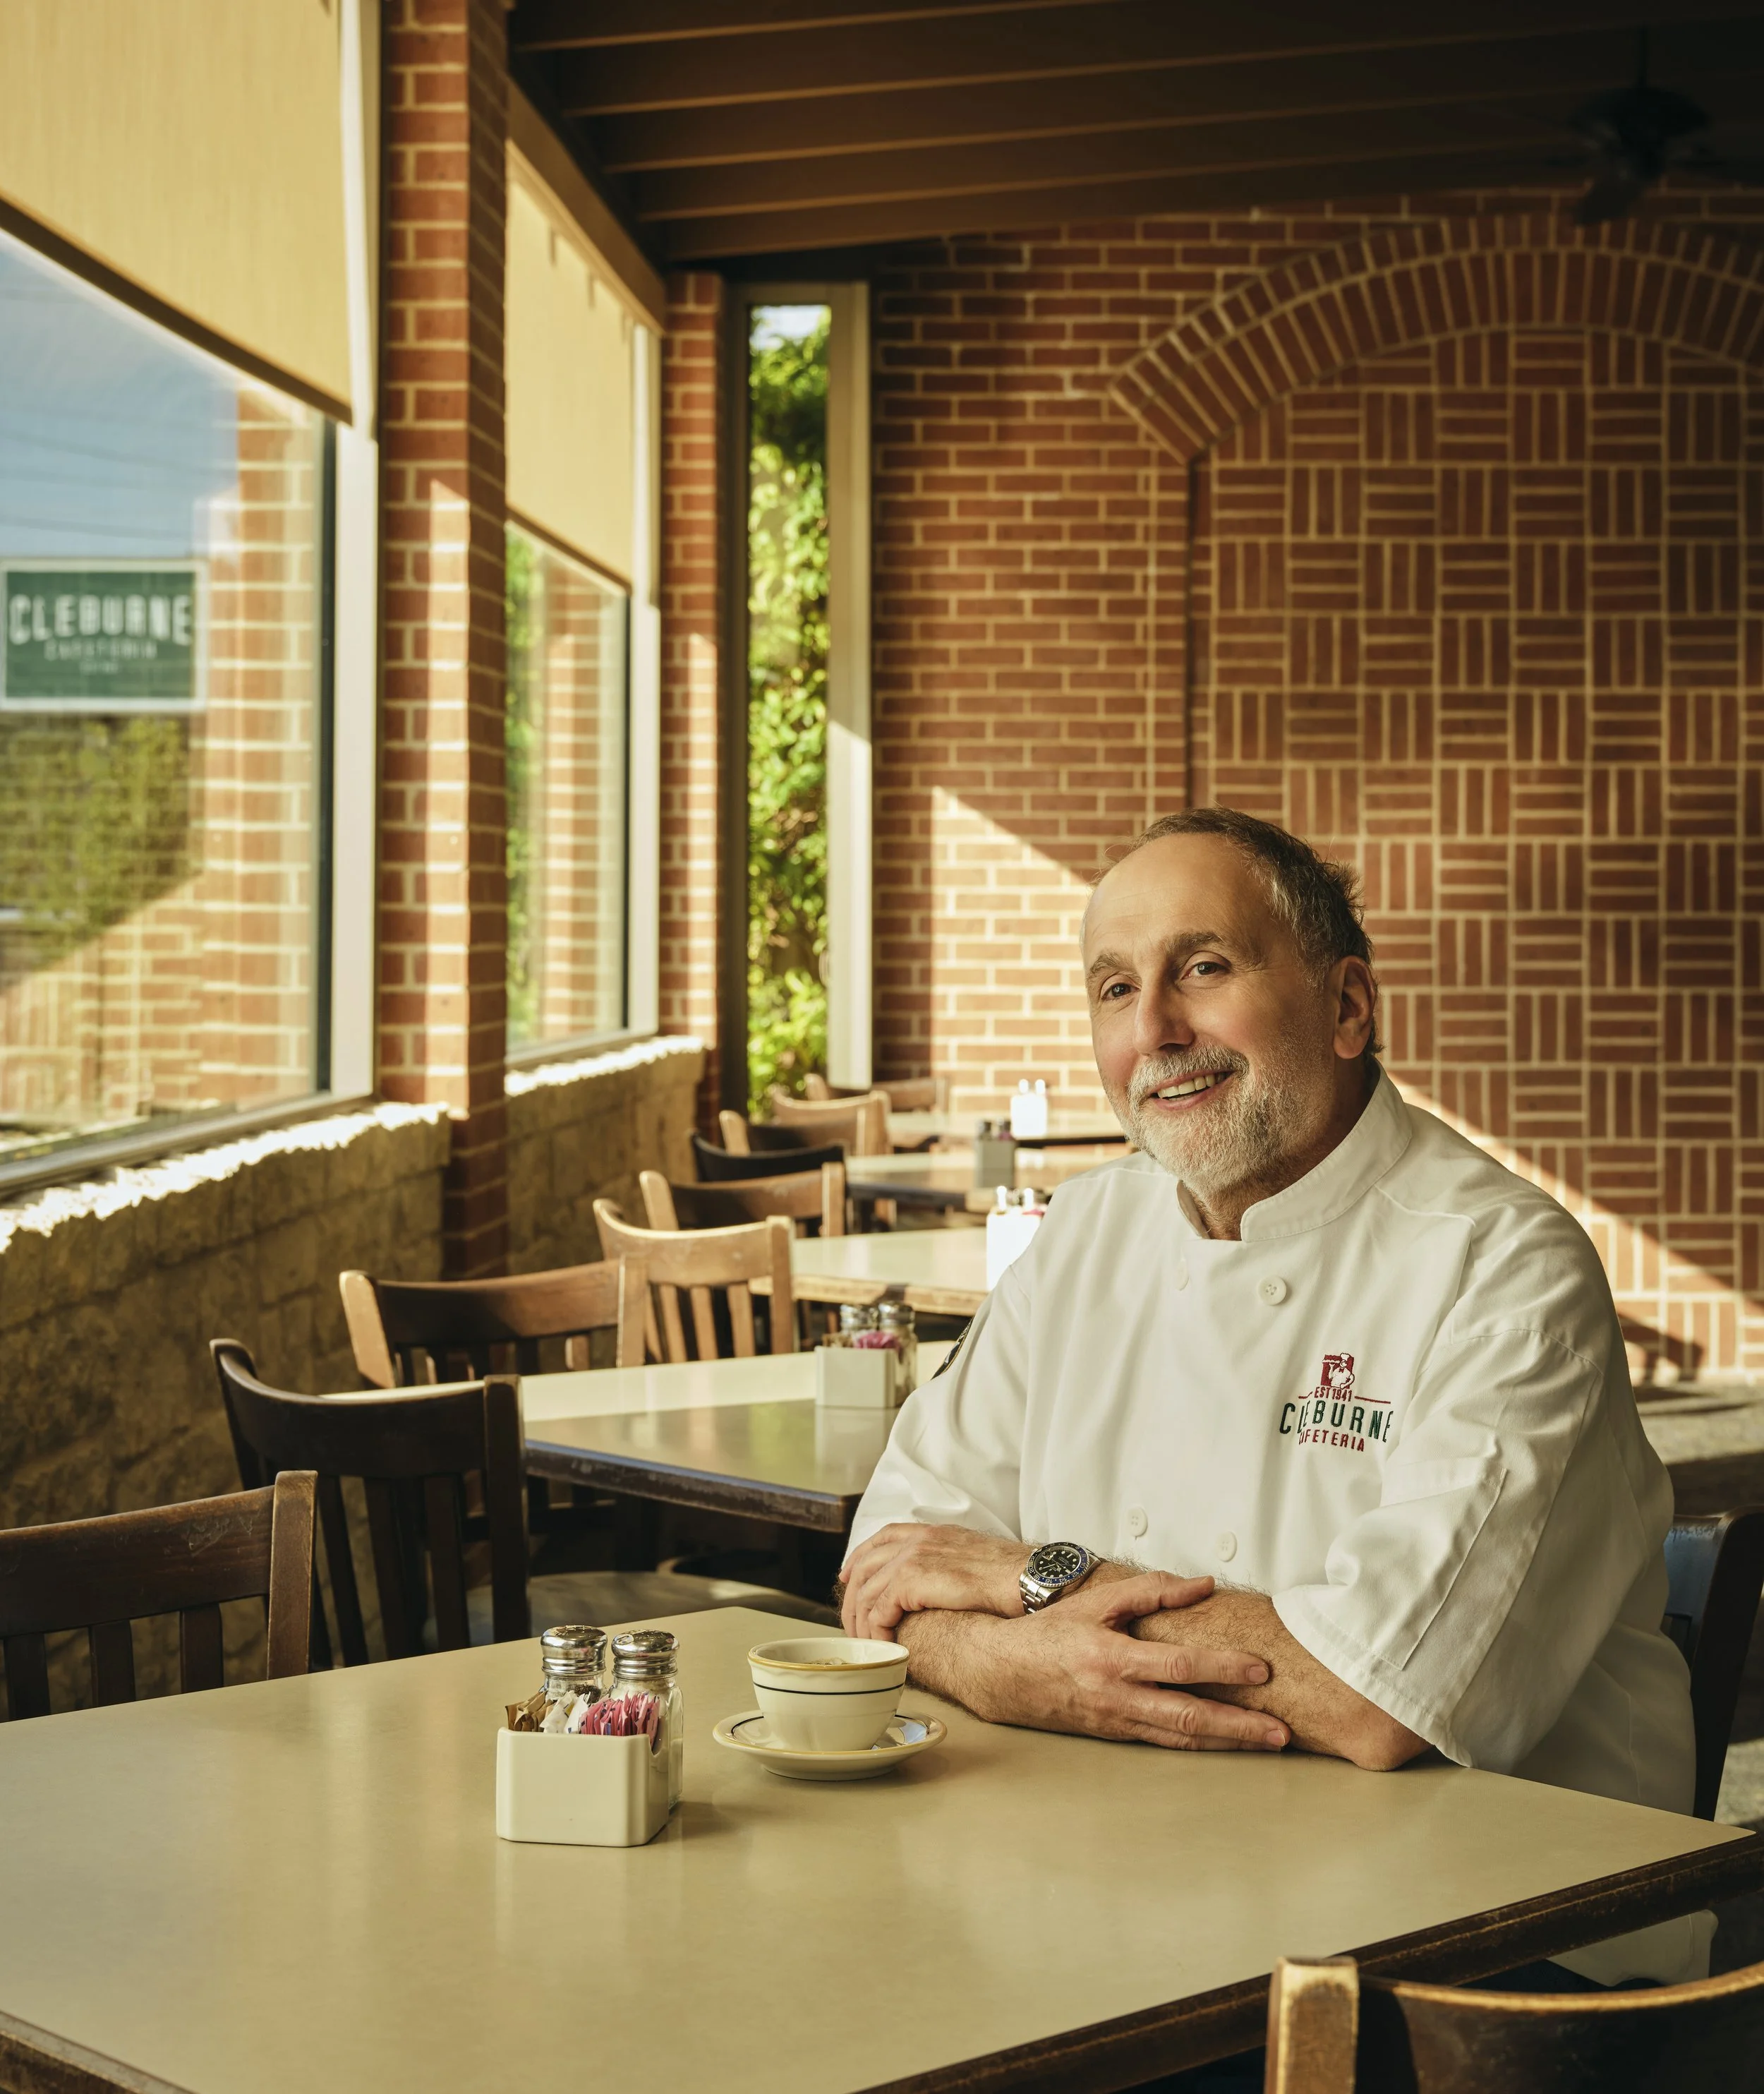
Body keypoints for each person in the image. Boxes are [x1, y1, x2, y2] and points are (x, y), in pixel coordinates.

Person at [840, 807, 1705, 1990]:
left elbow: (1376, 1693)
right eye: (1111, 987)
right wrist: (1004, 1665)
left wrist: (1026, 1584)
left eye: (1203, 967)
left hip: (1493, 1957)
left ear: (1349, 1006)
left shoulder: (1503, 1265)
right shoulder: (1087, 1230)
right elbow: (887, 1567)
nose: (1154, 1029)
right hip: (1135, 1882)